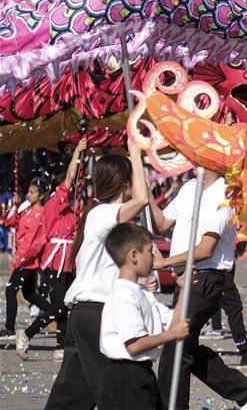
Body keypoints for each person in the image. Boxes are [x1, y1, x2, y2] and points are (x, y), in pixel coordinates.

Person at [44, 141, 151, 410]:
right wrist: (136, 156)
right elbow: (141, 200)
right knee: (119, 393)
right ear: (125, 184)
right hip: (98, 316)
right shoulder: (104, 215)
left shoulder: (98, 216)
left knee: (70, 397)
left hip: (85, 314)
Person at [151, 169, 247, 409]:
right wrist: (143, 187)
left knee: (176, 346)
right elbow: (161, 224)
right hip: (186, 279)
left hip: (207, 279)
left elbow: (205, 250)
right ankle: (244, 389)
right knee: (185, 346)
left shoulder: (226, 195)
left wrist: (163, 263)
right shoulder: (190, 187)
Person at [98, 223, 191, 410]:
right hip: (125, 378)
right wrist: (173, 335)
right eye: (150, 251)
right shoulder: (124, 294)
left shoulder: (142, 292)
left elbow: (173, 323)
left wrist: (183, 290)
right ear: (133, 255)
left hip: (141, 374)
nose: (155, 257)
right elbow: (134, 345)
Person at [17, 139, 87, 360]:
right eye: (66, 189)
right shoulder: (54, 204)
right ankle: (26, 334)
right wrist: (78, 151)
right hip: (56, 263)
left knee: (66, 305)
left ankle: (61, 346)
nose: (70, 191)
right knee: (57, 307)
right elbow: (69, 178)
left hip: (69, 263)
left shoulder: (72, 211)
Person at [1, 178, 53, 341]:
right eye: (28, 192)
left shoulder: (42, 214)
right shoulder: (26, 210)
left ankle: (9, 329)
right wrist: (14, 206)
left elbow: (37, 243)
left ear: (41, 195)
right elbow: (11, 222)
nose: (28, 195)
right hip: (22, 259)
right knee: (30, 294)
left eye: (32, 192)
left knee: (11, 290)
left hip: (28, 262)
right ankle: (57, 313)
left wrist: (20, 259)